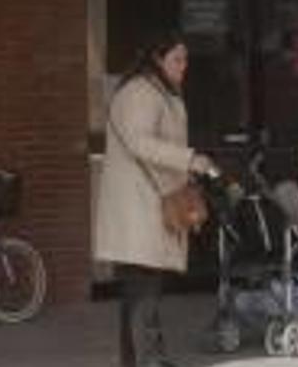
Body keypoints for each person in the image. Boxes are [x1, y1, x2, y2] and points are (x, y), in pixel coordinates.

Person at [95, 30, 218, 367]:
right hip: (138, 210)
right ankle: (148, 359)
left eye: (186, 59)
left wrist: (184, 166)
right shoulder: (141, 93)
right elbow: (140, 142)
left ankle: (145, 358)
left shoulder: (158, 92)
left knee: (143, 292)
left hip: (146, 207)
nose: (184, 65)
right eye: (177, 59)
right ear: (157, 59)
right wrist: (190, 159)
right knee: (142, 293)